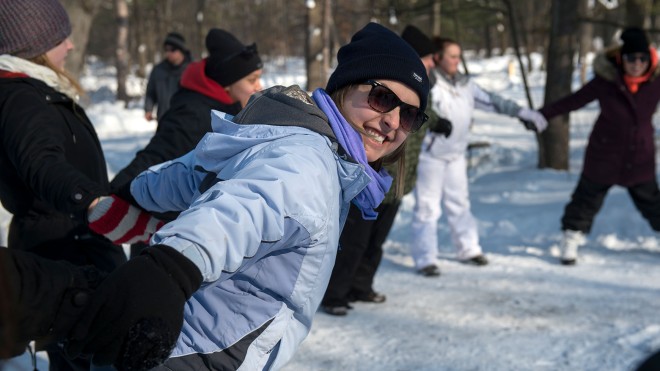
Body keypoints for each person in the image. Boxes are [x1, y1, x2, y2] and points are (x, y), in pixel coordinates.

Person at [0, 22, 430, 370]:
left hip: (187, 335)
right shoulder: (309, 161)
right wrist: (171, 269)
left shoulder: (299, 138)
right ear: (345, 88)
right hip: (205, 353)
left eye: (409, 114)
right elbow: (247, 209)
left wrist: (135, 191)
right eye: (381, 97)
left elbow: (193, 172)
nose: (392, 120)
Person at [0, 0, 126, 369]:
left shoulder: (34, 90)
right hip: (67, 254)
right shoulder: (22, 97)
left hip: (74, 246)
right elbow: (41, 163)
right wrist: (92, 203)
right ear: (33, 46)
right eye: (60, 38)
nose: (70, 46)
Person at [321, 24, 450, 316]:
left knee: (376, 241)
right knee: (355, 240)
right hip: (370, 177)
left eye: (408, 116)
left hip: (395, 181)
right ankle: (336, 293)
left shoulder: (415, 92)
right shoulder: (394, 75)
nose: (393, 120)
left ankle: (361, 285)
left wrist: (437, 121)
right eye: (428, 59)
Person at [111, 28, 263, 258]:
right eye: (252, 79)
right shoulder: (193, 115)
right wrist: (109, 197)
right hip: (167, 241)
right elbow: (154, 158)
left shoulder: (230, 110)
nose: (259, 86)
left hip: (196, 239)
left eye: (260, 77)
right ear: (227, 84)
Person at [410, 36, 548, 277]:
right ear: (438, 57)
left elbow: (493, 102)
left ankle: (468, 249)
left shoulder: (465, 85)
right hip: (431, 155)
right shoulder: (429, 83)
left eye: (458, 56)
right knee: (427, 208)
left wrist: (522, 113)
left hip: (456, 155)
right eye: (451, 56)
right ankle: (425, 258)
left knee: (460, 203)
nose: (456, 60)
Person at [536, 27, 660, 265]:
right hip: (605, 153)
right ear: (620, 59)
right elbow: (574, 100)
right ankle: (570, 238)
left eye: (642, 58)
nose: (636, 64)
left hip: (640, 155)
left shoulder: (655, 83)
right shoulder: (607, 82)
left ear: (649, 59)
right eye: (630, 58)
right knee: (586, 199)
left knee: (653, 202)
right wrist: (541, 115)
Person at [144, 32, 191, 122]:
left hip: (187, 123)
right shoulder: (158, 70)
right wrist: (148, 109)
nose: (169, 53)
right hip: (164, 121)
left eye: (173, 49)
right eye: (166, 49)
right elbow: (150, 92)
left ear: (181, 50)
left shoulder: (193, 70)